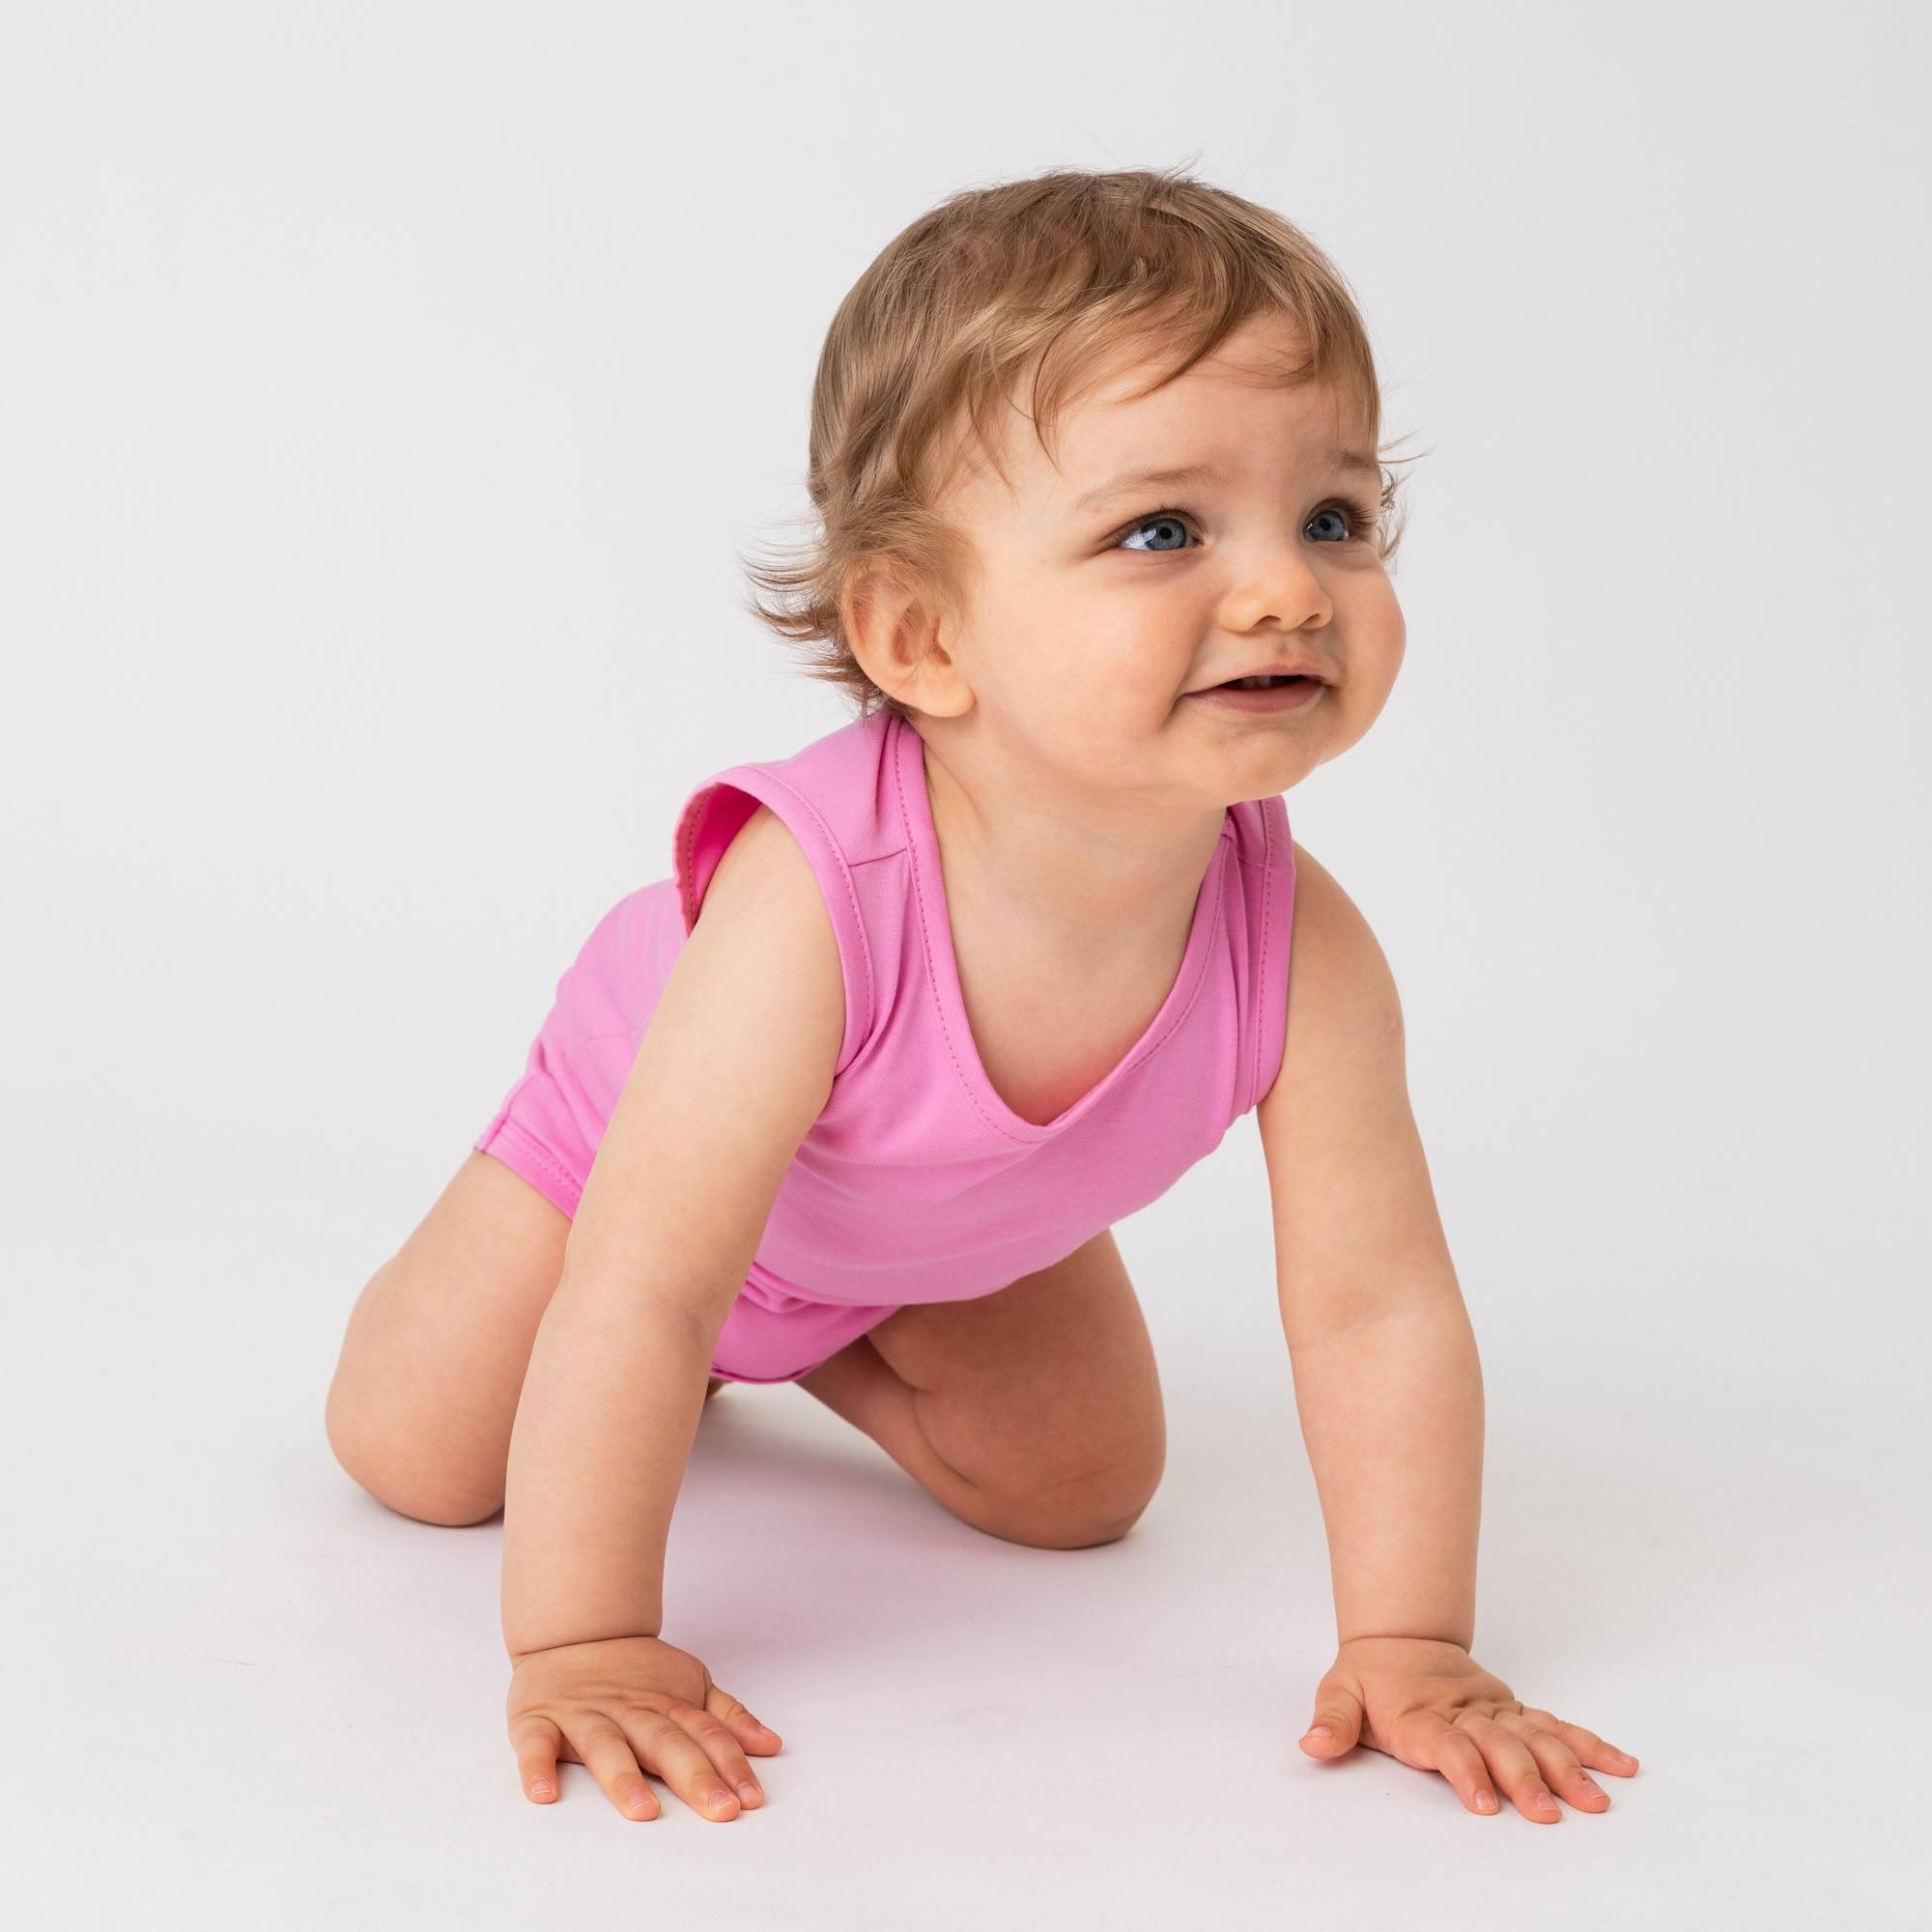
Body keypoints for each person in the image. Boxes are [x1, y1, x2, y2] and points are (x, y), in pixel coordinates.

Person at [323, 163, 1639, 1829]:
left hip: (918, 1241)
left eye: (1335, 519)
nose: (1288, 588)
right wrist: (586, 1640)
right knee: (416, 1459)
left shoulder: (1301, 941)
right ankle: (724, 1343)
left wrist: (1415, 1641)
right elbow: (647, 1283)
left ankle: (802, 1348)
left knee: (1084, 1492)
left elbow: (1374, 1306)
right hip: (617, 1204)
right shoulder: (819, 903)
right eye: (1163, 529)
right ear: (921, 637)